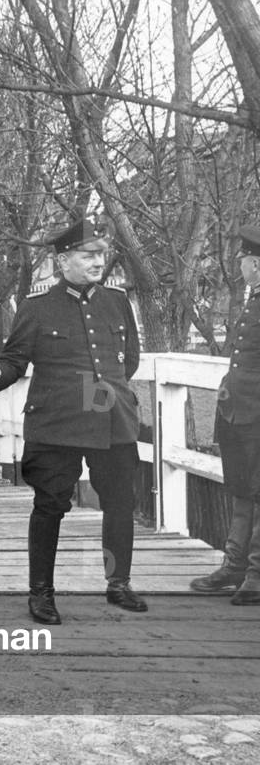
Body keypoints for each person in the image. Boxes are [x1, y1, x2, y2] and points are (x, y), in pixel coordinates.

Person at [0, 219, 147, 624]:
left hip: (111, 420)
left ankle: (118, 583)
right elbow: (14, 361)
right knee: (50, 506)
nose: (97, 262)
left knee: (120, 503)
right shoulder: (37, 308)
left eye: (100, 255)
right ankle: (42, 593)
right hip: (58, 424)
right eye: (88, 255)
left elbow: (132, 359)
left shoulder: (118, 302)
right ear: (62, 261)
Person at [190, 227, 260, 605]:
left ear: (255, 263)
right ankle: (235, 566)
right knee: (241, 489)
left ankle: (256, 573)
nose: (241, 265)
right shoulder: (253, 299)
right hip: (240, 411)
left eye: (244, 260)